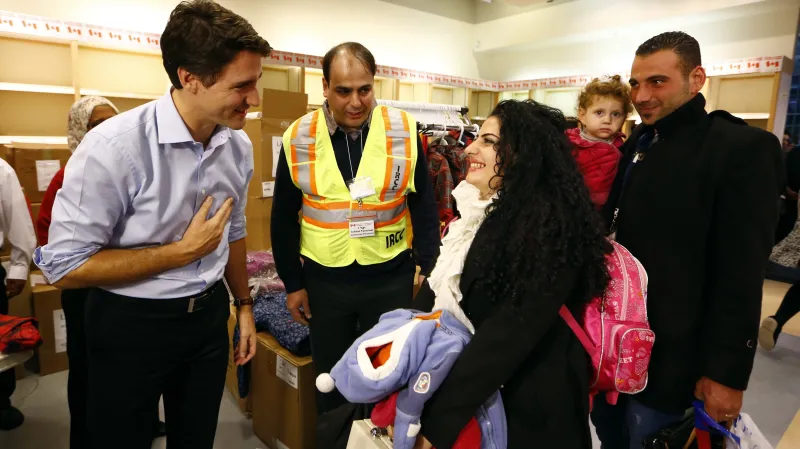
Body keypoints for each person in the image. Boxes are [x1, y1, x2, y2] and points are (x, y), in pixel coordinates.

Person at [33, 1, 271, 448]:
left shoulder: (236, 147)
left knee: (196, 437)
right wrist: (180, 253)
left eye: (256, 81)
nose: (255, 99)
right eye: (243, 85)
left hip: (205, 322)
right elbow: (63, 265)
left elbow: (233, 230)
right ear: (189, 78)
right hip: (129, 325)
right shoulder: (113, 148)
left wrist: (243, 307)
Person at [594, 31, 781, 448]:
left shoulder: (740, 148)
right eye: (636, 84)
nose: (641, 95)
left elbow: (742, 273)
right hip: (615, 351)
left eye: (657, 81)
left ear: (696, 79)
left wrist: (726, 375)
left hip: (676, 364)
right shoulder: (641, 142)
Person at [408, 100, 609, 449]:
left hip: (532, 413)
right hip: (484, 397)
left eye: (488, 141)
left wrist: (437, 423)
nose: (470, 147)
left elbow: (504, 339)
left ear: (522, 153)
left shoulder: (548, 227)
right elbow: (439, 292)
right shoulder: (482, 213)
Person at [271, 42, 441, 420]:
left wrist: (427, 264)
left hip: (390, 275)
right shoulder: (299, 136)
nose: (355, 102)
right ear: (325, 88)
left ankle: (377, 439)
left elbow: (424, 203)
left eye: (364, 89)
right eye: (344, 91)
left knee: (390, 369)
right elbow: (283, 216)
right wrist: (293, 283)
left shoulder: (403, 129)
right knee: (332, 377)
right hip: (325, 281)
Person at [37, 96, 167, 447]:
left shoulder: (125, 162)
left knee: (132, 368)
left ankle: (145, 422)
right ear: (79, 130)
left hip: (124, 286)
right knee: (87, 371)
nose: (107, 129)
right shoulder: (70, 174)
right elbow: (51, 238)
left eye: (112, 120)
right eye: (96, 124)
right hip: (85, 289)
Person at [0, 158, 37, 431]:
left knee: (1, 342)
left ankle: (1, 403)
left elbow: (17, 215)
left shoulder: (1, 169)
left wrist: (20, 266)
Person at [567, 75, 631, 210]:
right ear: (582, 115)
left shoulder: (623, 145)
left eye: (616, 114)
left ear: (625, 117)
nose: (607, 120)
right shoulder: (569, 145)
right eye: (599, 112)